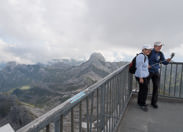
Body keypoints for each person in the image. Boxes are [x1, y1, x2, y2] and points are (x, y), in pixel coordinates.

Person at [148, 41, 171, 108]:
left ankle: (154, 103)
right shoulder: (150, 52)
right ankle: (142, 102)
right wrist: (146, 65)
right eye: (159, 46)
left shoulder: (160, 53)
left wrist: (168, 61)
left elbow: (164, 63)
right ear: (155, 46)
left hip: (156, 72)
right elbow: (144, 59)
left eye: (161, 46)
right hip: (148, 71)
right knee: (145, 87)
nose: (160, 47)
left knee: (156, 87)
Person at [135, 45, 152, 112]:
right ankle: (142, 104)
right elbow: (139, 67)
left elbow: (143, 65)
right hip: (141, 76)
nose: (149, 51)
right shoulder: (141, 56)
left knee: (142, 89)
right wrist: (141, 77)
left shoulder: (145, 56)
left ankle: (140, 102)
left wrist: (147, 66)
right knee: (144, 90)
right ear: (143, 50)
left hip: (144, 75)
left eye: (150, 50)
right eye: (147, 49)